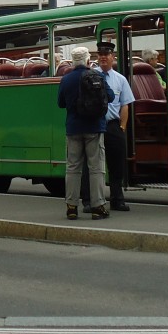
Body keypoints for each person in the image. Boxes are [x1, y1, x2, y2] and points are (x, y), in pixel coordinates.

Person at [56, 46, 109, 220]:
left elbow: (60, 103)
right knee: (96, 168)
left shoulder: (66, 79)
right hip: (94, 127)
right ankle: (98, 206)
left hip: (73, 128)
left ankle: (71, 207)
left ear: (72, 61)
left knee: (72, 168)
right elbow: (110, 96)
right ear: (88, 60)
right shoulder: (97, 76)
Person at [82, 42, 135, 212]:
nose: (103, 58)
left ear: (113, 57)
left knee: (116, 164)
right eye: (100, 55)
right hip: (94, 124)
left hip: (113, 125)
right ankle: (89, 201)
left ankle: (117, 199)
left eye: (107, 55)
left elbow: (125, 104)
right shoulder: (89, 76)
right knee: (91, 164)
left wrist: (122, 127)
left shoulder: (120, 79)